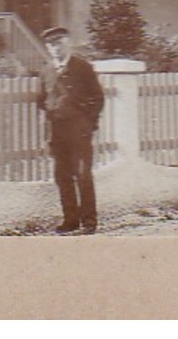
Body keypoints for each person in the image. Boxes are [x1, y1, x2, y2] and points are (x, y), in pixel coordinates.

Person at [37, 24, 105, 234]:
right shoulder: (46, 71)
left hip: (79, 131)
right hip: (57, 132)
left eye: (59, 43)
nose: (55, 48)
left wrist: (89, 124)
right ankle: (71, 220)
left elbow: (98, 98)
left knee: (83, 174)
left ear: (67, 43)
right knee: (62, 176)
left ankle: (89, 221)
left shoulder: (82, 67)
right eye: (51, 45)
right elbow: (41, 102)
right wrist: (46, 134)